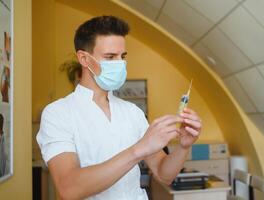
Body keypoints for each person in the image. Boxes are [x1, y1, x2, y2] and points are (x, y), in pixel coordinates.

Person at [36, 15, 202, 200]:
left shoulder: (132, 112)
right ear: (84, 58)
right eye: (110, 57)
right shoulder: (58, 113)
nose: (120, 63)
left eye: (122, 56)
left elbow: (164, 175)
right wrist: (138, 149)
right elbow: (69, 188)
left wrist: (183, 147)